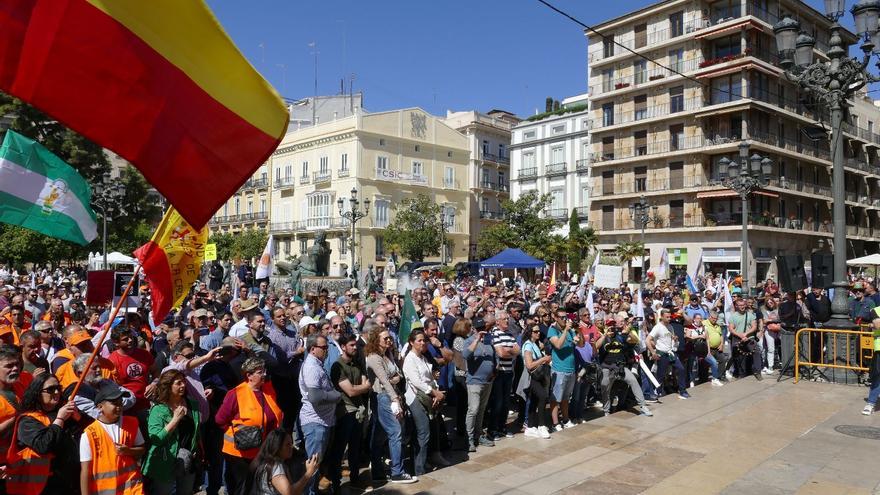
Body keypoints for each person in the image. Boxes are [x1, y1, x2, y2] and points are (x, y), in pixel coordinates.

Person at [216, 357, 283, 495]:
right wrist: (239, 433)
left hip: (263, 450)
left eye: (264, 370)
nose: (264, 374)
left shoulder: (268, 390)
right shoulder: (236, 393)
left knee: (256, 487)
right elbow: (220, 419)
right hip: (240, 452)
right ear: (249, 375)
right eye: (259, 372)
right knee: (242, 488)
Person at [6, 373, 80, 495]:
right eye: (50, 389)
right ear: (38, 394)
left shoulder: (64, 412)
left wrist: (78, 418)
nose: (56, 392)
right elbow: (43, 445)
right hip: (42, 487)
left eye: (58, 388)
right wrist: (60, 420)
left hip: (67, 481)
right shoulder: (28, 421)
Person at [364, 328, 416, 484]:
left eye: (390, 338)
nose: (389, 340)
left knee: (380, 435)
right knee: (395, 432)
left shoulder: (387, 355)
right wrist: (395, 398)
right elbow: (384, 380)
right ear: (376, 340)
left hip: (389, 395)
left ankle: (378, 472)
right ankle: (397, 472)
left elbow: (398, 375)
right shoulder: (373, 357)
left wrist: (394, 380)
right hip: (383, 397)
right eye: (385, 338)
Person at [79, 381, 146, 495]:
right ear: (100, 407)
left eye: (120, 403)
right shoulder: (89, 434)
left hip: (132, 488)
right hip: (105, 491)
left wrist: (128, 451)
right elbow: (86, 471)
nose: (119, 407)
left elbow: (142, 450)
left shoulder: (131, 423)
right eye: (114, 403)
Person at [143, 369, 202, 495]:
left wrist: (196, 449)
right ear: (168, 386)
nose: (183, 385)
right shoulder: (158, 409)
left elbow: (196, 431)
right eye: (178, 383)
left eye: (184, 382)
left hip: (187, 459)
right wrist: (175, 419)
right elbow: (156, 439)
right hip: (165, 461)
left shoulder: (192, 403)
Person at [298, 334, 341, 495]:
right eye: (323, 347)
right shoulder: (311, 367)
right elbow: (315, 397)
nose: (326, 350)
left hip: (323, 421)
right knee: (313, 465)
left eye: (327, 347)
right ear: (312, 349)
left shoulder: (317, 364)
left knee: (317, 463)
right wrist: (336, 396)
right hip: (315, 422)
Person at [328, 334, 371, 491]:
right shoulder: (337, 366)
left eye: (355, 345)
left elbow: (365, 383)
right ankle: (336, 483)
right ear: (343, 347)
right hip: (345, 412)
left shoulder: (356, 364)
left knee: (355, 447)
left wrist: (362, 387)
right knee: (339, 448)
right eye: (351, 345)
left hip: (358, 410)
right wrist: (363, 387)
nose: (355, 347)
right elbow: (351, 391)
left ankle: (355, 478)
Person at [402, 330, 443, 477]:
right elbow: (416, 382)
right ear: (411, 342)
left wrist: (435, 387)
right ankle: (419, 468)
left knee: (425, 432)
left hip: (428, 397)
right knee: (423, 432)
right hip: (416, 399)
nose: (422, 343)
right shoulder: (410, 359)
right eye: (419, 340)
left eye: (424, 340)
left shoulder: (423, 358)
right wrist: (434, 393)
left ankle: (421, 462)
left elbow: (428, 379)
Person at [596, 318, 651, 416]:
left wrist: (629, 328)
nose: (611, 327)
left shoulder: (620, 337)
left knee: (633, 381)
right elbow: (596, 346)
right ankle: (606, 411)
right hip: (607, 367)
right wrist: (605, 335)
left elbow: (635, 340)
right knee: (605, 386)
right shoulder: (602, 337)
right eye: (609, 325)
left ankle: (643, 406)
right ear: (605, 326)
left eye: (613, 325)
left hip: (620, 367)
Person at [461, 318, 496, 452]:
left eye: (484, 327)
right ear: (474, 329)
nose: (483, 330)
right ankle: (468, 438)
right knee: (473, 410)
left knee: (482, 409)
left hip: (487, 381)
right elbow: (465, 355)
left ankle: (478, 435)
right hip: (474, 381)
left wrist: (494, 369)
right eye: (479, 328)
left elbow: (493, 355)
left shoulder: (488, 340)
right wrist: (476, 340)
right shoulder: (468, 341)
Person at [251, 429, 319, 495]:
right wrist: (309, 473)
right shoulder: (275, 466)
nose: (291, 447)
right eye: (287, 444)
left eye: (291, 443)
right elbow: (290, 493)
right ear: (277, 447)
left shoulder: (268, 461)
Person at [547, 308, 583, 430]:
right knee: (556, 398)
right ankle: (555, 423)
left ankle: (566, 419)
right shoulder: (552, 330)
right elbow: (558, 345)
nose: (564, 319)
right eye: (561, 317)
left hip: (571, 369)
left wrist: (578, 333)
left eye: (565, 317)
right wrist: (566, 331)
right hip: (559, 369)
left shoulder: (570, 330)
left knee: (565, 398)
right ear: (556, 318)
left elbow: (580, 344)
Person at [107, 327, 155, 413]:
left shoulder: (144, 354)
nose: (130, 340)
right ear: (116, 343)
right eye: (125, 339)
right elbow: (112, 387)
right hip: (128, 408)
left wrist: (154, 383)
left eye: (131, 337)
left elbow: (156, 372)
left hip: (147, 403)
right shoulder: (111, 361)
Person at [487, 310, 519, 439]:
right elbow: (501, 353)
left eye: (508, 318)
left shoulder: (509, 334)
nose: (507, 321)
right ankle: (492, 429)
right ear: (498, 321)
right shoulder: (494, 334)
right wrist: (510, 350)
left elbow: (518, 350)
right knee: (497, 403)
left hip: (509, 372)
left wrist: (508, 350)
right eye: (505, 319)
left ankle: (502, 427)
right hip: (499, 373)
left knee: (506, 402)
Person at [647, 309, 691, 399]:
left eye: (670, 317)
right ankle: (657, 391)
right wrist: (653, 352)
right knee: (661, 375)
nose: (669, 318)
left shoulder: (670, 326)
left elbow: (672, 339)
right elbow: (648, 340)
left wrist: (675, 340)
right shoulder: (657, 327)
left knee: (681, 369)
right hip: (662, 354)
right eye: (667, 317)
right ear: (662, 317)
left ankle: (682, 391)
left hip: (671, 353)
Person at [521, 323, 552, 438]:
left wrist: (545, 360)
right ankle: (541, 425)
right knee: (543, 396)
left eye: (539, 331)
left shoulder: (534, 344)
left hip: (538, 377)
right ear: (530, 333)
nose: (538, 333)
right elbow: (529, 365)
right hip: (531, 377)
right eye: (535, 331)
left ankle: (530, 427)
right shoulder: (528, 345)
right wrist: (543, 359)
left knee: (534, 400)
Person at [728, 298, 763, 380]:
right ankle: (742, 373)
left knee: (757, 352)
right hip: (737, 338)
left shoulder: (751, 315)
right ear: (736, 306)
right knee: (739, 357)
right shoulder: (733, 316)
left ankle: (758, 372)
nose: (742, 307)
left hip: (749, 338)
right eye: (740, 305)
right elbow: (731, 329)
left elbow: (754, 327)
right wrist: (740, 335)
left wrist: (746, 334)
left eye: (743, 305)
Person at [863, 317, 880, 415]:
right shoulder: (877, 310)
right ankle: (871, 403)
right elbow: (878, 325)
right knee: (877, 377)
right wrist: (874, 325)